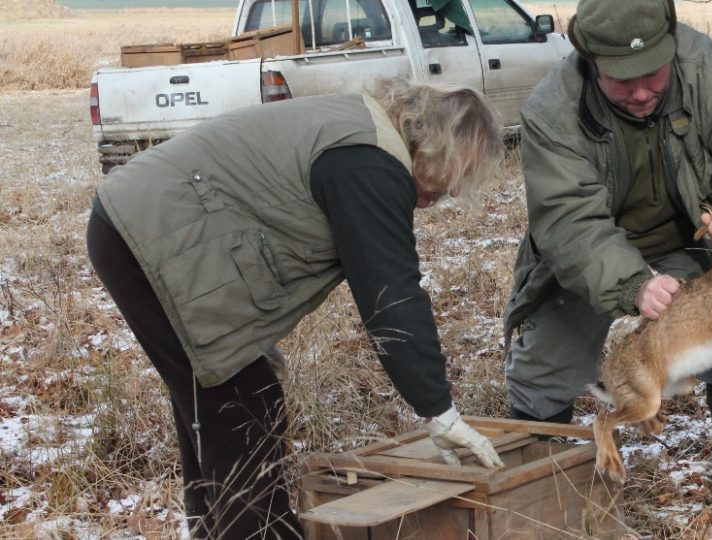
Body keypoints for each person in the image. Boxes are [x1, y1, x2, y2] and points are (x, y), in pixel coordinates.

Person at [86, 78, 506, 539]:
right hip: (151, 234)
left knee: (221, 403)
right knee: (243, 404)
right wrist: (439, 410)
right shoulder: (369, 165)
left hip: (147, 227)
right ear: (439, 143)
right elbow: (391, 295)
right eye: (455, 173)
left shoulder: (363, 136)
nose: (451, 192)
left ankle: (217, 528)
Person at [502, 0, 712, 527]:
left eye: (653, 75)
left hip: (693, 243)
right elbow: (568, 219)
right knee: (545, 365)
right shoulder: (552, 108)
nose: (642, 92)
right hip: (592, 254)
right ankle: (537, 512)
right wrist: (631, 283)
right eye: (623, 81)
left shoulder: (711, 70)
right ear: (590, 61)